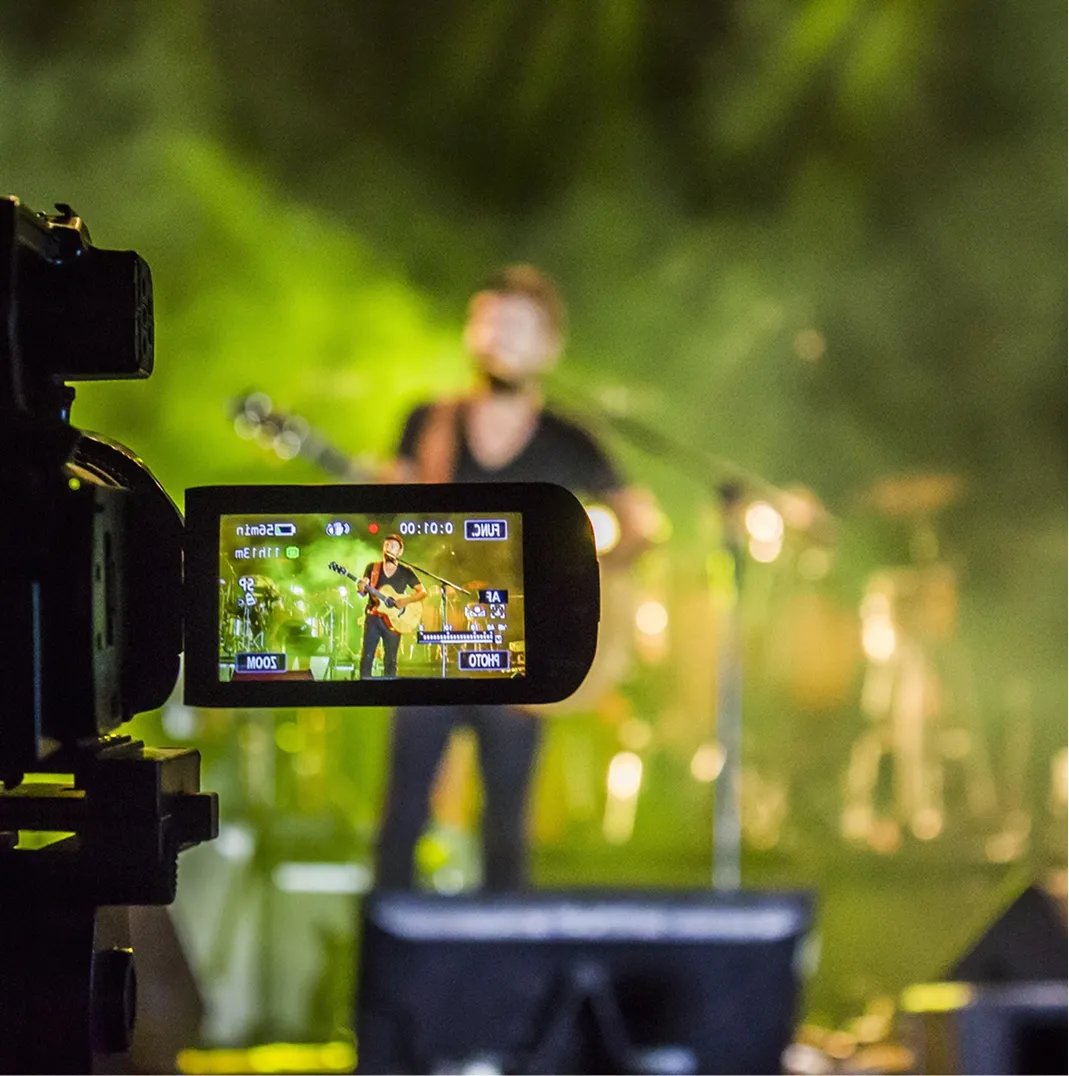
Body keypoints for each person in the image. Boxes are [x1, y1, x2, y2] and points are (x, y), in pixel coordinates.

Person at [375, 265, 650, 890]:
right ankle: (389, 937)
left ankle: (505, 943)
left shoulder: (572, 442)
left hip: (520, 654)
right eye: (492, 322)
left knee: (506, 826)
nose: (501, 337)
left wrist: (581, 576)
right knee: (402, 816)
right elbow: (388, 517)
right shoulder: (429, 422)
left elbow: (640, 526)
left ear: (550, 345)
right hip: (429, 647)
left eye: (519, 327)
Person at [357, 534, 427, 679]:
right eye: (386, 545)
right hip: (374, 617)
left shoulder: (406, 571)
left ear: (400, 552)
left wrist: (406, 601)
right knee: (367, 656)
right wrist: (361, 587)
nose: (389, 548)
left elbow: (422, 592)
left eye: (393, 546)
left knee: (391, 659)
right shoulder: (373, 568)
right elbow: (363, 590)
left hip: (395, 619)